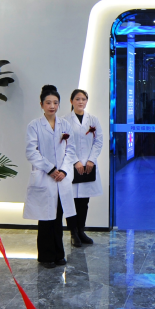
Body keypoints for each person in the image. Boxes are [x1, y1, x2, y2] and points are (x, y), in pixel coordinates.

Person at [24, 85, 77, 268]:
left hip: (61, 178)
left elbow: (71, 150)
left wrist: (63, 170)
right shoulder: (34, 125)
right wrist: (50, 169)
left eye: (55, 102)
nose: (52, 106)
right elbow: (31, 152)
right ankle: (46, 257)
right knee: (46, 218)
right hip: (44, 176)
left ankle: (59, 254)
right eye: (48, 103)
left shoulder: (65, 125)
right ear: (41, 104)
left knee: (58, 217)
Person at [64, 89, 103, 248]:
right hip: (71, 165)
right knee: (71, 200)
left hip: (88, 166)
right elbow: (64, 143)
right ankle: (73, 233)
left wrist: (91, 160)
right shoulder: (64, 121)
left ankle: (81, 231)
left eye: (84, 99)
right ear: (71, 101)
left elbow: (98, 141)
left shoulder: (93, 120)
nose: (81, 102)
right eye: (77, 99)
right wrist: (75, 161)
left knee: (84, 201)